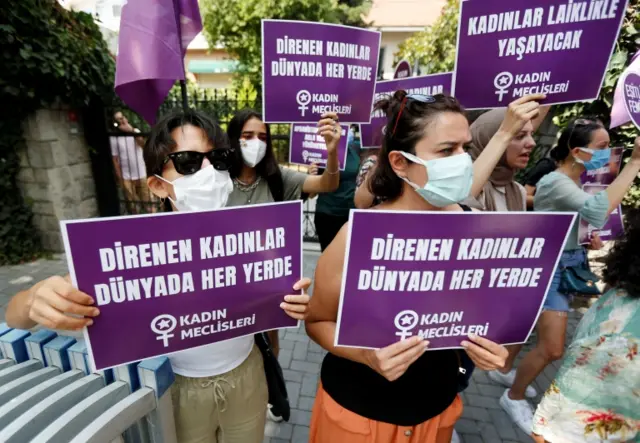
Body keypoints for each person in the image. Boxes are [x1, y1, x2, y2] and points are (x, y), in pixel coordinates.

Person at [6, 109, 314, 443]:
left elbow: (274, 305)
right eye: (189, 162)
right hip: (171, 385)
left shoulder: (255, 239)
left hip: (247, 375)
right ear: (157, 184)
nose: (210, 172)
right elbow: (16, 317)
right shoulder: (125, 254)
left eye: (219, 159)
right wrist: (35, 298)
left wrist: (292, 302)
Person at [305, 91, 545, 443]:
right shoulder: (356, 236)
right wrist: (366, 356)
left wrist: (491, 348)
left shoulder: (473, 228)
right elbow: (316, 322)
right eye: (447, 151)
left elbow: (481, 317)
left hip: (437, 413)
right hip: (358, 414)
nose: (462, 161)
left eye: (465, 148)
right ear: (400, 163)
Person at [499, 116, 640, 435]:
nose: (609, 154)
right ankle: (513, 396)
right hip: (549, 268)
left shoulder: (578, 181)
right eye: (602, 148)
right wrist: (634, 165)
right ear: (578, 151)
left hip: (564, 263)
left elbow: (578, 219)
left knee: (528, 326)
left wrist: (585, 235)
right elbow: (595, 211)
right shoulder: (557, 182)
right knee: (552, 349)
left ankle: (506, 370)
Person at [225, 108, 341, 420]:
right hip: (228, 283)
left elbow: (327, 185)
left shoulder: (280, 180)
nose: (255, 142)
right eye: (247, 136)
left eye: (262, 137)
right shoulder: (215, 181)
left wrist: (332, 152)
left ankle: (266, 393)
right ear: (233, 140)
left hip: (268, 281)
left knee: (269, 344)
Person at [531, 208, 640, 443]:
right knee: (551, 348)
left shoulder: (620, 303)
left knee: (553, 349)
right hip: (556, 269)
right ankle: (513, 392)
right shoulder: (624, 334)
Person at [314, 126, 361, 251]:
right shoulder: (320, 152)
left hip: (352, 215)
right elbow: (312, 193)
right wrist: (312, 173)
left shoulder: (357, 149)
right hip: (328, 215)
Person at [111, 111, 155, 214]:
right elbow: (115, 159)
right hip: (126, 177)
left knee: (149, 205)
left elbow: (143, 145)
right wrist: (120, 178)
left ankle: (154, 223)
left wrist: (131, 131)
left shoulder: (135, 131)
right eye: (118, 119)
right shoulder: (114, 137)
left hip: (141, 174)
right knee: (134, 208)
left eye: (122, 117)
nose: (122, 120)